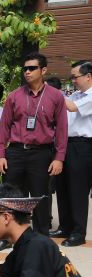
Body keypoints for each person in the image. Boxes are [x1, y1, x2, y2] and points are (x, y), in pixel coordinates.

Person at [0, 52, 67, 243]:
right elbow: (4, 126)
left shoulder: (56, 97)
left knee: (41, 198)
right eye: (25, 68)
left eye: (32, 68)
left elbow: (61, 129)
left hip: (42, 154)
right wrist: (1, 154)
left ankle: (42, 239)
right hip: (16, 152)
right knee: (11, 197)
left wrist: (59, 157)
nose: (27, 72)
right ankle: (7, 237)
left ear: (43, 70)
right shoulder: (14, 96)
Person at [53, 60, 92, 247]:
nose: (73, 80)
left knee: (77, 190)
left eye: (75, 77)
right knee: (63, 187)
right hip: (66, 145)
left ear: (88, 76)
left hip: (83, 146)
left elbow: (71, 108)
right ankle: (65, 226)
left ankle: (78, 232)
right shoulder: (76, 95)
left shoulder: (90, 96)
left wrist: (50, 91)